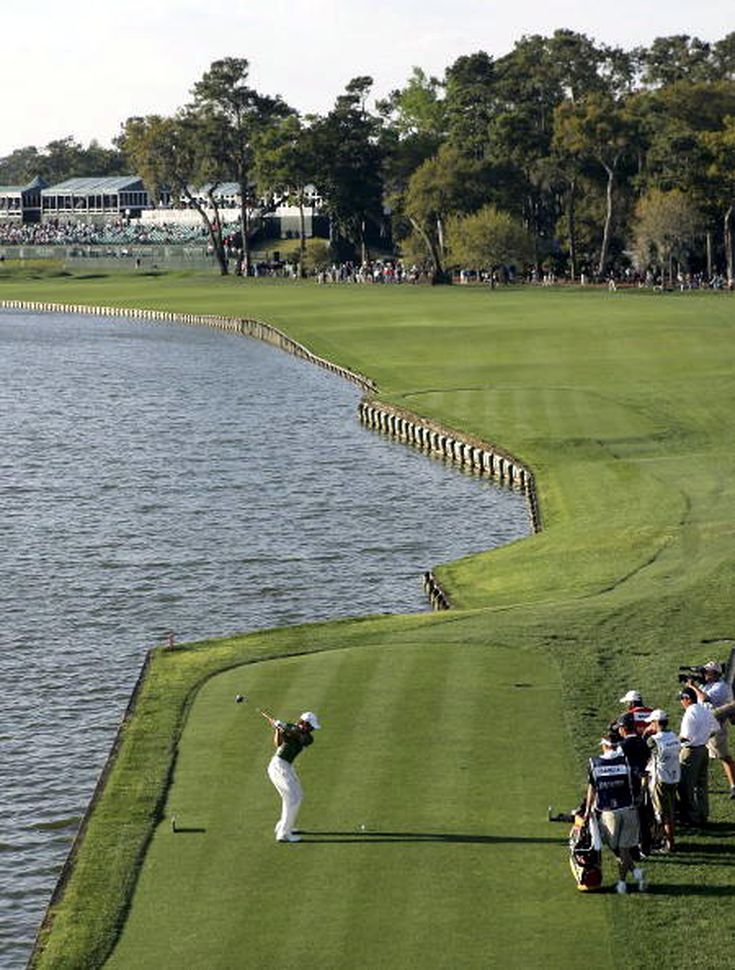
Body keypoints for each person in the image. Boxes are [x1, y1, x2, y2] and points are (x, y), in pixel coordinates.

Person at [584, 733, 646, 894]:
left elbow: (592, 788)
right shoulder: (625, 762)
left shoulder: (594, 763)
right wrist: (639, 798)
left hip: (609, 813)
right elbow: (640, 779)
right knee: (623, 848)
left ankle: (622, 883)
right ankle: (635, 874)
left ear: (604, 746)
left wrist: (587, 809)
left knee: (616, 848)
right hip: (629, 809)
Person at [262, 710, 321, 843]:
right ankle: (284, 834)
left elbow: (301, 737)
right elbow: (278, 744)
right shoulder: (290, 729)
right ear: (304, 723)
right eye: (310, 726)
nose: (312, 729)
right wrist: (278, 729)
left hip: (286, 767)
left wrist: (282, 725)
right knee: (293, 798)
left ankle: (284, 825)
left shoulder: (306, 736)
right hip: (279, 766)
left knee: (296, 796)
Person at [687, 661, 735, 799]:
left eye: (707, 672)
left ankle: (733, 785)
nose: (704, 674)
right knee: (698, 754)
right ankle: (698, 785)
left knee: (723, 756)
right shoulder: (706, 685)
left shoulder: (721, 687)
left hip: (715, 725)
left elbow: (705, 699)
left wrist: (693, 687)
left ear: (715, 673)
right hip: (701, 725)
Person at [678, 687, 719, 826]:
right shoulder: (704, 710)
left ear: (688, 699)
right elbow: (715, 728)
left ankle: (692, 817)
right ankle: (703, 814)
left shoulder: (690, 713)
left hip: (691, 752)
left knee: (686, 786)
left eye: (682, 699)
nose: (681, 703)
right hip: (703, 750)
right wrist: (704, 736)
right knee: (701, 786)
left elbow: (685, 737)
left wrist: (674, 743)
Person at [645, 709, 681, 853]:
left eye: (651, 723)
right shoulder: (673, 736)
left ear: (656, 722)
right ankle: (667, 841)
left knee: (663, 814)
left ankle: (668, 844)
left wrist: (646, 733)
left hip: (660, 779)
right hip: (674, 776)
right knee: (670, 811)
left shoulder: (653, 740)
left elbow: (644, 751)